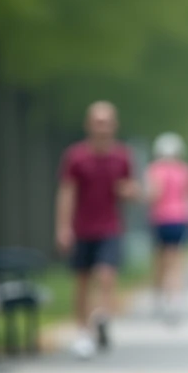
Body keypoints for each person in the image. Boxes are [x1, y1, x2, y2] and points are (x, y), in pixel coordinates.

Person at [55, 101, 139, 359]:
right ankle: (83, 333)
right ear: (88, 125)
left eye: (106, 122)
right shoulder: (76, 156)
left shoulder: (122, 155)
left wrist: (129, 191)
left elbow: (133, 189)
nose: (102, 127)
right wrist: (62, 227)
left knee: (105, 275)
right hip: (82, 228)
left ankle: (101, 317)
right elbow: (67, 192)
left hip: (110, 227)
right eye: (97, 121)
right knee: (81, 282)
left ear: (114, 125)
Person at [145, 132, 188, 322]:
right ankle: (175, 300)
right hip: (180, 218)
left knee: (160, 259)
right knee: (177, 259)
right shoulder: (185, 170)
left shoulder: (154, 169)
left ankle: (159, 297)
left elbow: (153, 194)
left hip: (159, 219)